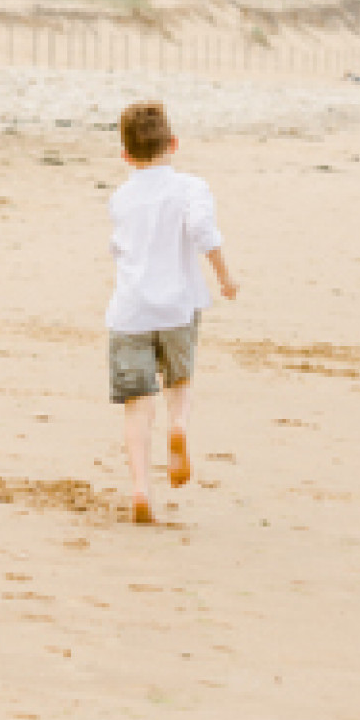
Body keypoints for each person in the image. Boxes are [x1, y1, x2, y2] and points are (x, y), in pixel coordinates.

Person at [105, 99, 238, 524]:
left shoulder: (121, 198)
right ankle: (178, 425)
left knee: (137, 405)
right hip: (178, 307)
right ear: (174, 144)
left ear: (125, 155)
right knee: (179, 380)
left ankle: (142, 488)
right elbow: (203, 233)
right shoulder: (191, 188)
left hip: (130, 312)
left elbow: (118, 249)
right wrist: (225, 277)